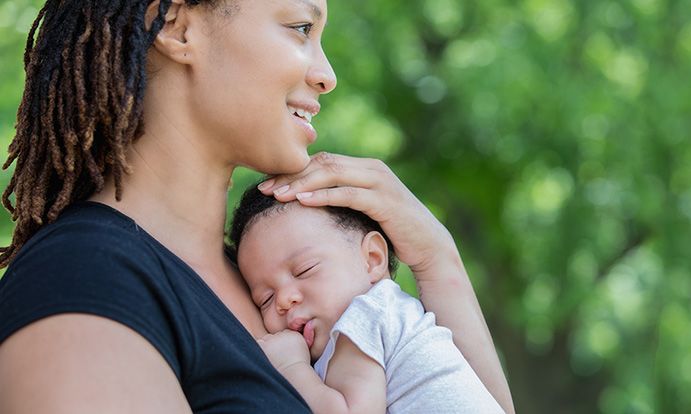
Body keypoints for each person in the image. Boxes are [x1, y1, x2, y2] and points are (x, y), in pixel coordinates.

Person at [0, 1, 514, 413]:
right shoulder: (83, 278)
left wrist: (434, 257)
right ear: (179, 28)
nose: (326, 74)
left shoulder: (266, 286)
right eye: (299, 27)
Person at [227, 183, 506, 413]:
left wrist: (290, 366)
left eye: (304, 270)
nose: (284, 300)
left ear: (372, 259)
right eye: (265, 298)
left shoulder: (364, 315)